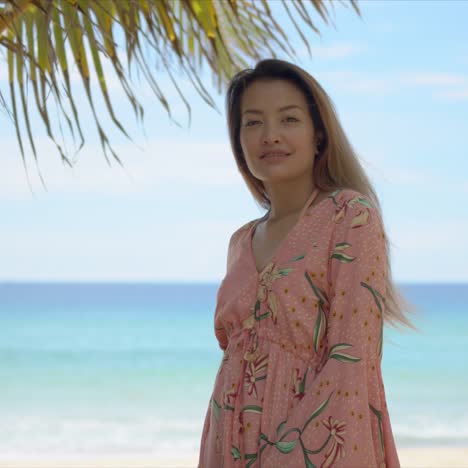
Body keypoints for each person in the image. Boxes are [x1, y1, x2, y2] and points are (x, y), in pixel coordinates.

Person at [198, 58, 417, 468]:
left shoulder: (350, 217)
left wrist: (284, 457)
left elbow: (352, 360)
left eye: (289, 119)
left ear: (318, 133)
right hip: (227, 443)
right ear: (238, 140)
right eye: (253, 122)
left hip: (318, 447)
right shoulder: (240, 241)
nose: (270, 136)